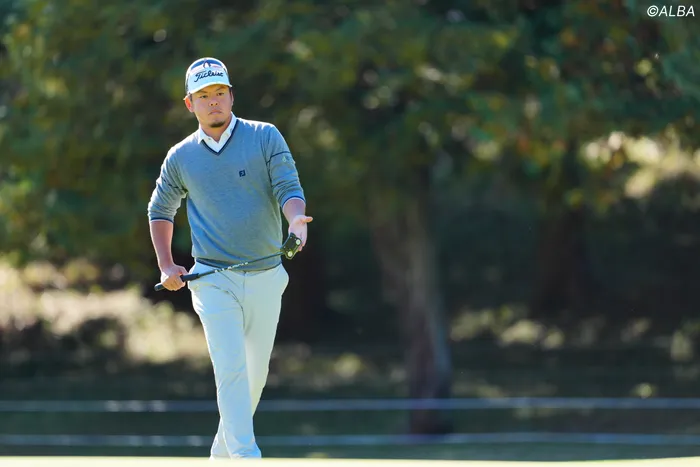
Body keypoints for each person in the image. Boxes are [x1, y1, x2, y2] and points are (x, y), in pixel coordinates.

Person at [147, 57, 312, 459]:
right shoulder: (180, 156)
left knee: (254, 377)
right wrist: (167, 265)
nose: (213, 101)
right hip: (211, 278)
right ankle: (246, 458)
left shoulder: (264, 136)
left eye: (219, 92)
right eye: (204, 95)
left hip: (266, 274)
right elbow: (160, 210)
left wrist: (296, 221)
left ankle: (220, 458)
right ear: (190, 104)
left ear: (231, 96)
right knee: (231, 369)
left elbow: (288, 187)